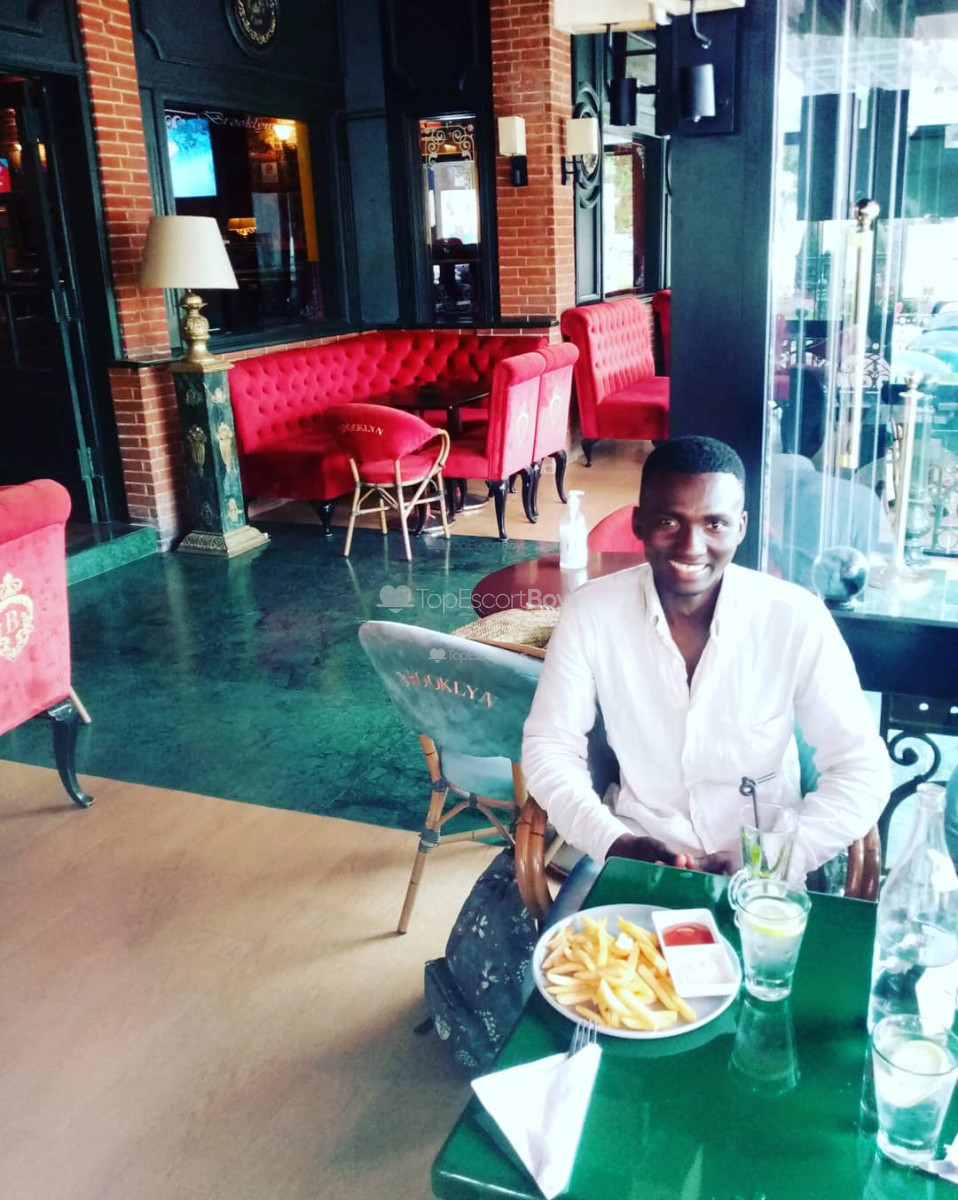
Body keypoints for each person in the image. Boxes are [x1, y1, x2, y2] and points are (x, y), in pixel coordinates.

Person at [521, 436, 891, 882]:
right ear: (639, 523)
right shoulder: (591, 612)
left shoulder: (796, 618)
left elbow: (861, 767)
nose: (691, 546)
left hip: (767, 870)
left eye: (715, 524)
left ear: (741, 527)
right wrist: (612, 842)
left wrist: (776, 856)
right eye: (669, 521)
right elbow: (549, 747)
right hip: (636, 850)